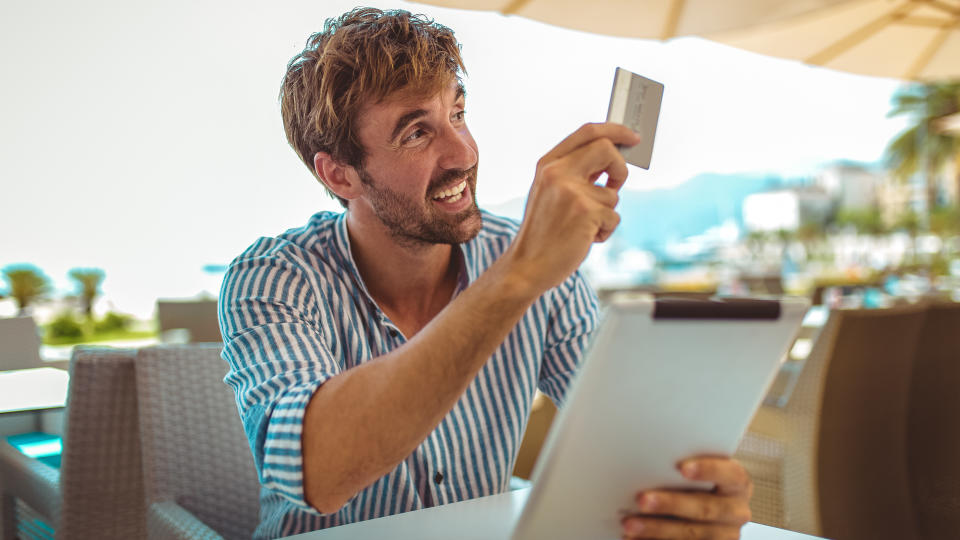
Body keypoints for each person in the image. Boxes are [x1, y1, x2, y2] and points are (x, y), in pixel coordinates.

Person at [219, 7, 753, 539]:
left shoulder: (535, 264)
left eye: (457, 113)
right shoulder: (272, 280)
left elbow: (626, 444)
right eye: (415, 133)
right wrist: (519, 275)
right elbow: (318, 470)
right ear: (340, 174)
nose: (464, 153)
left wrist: (686, 497)